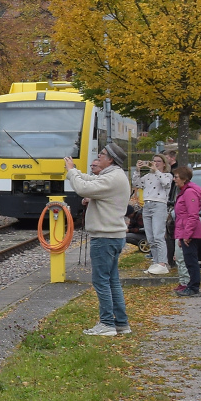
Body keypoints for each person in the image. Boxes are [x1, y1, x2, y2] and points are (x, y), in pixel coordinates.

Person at [64, 141, 133, 336]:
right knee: (112, 281)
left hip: (105, 237)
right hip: (113, 236)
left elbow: (83, 188)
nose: (99, 156)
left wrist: (71, 171)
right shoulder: (113, 176)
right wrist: (75, 172)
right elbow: (88, 182)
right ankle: (121, 323)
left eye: (102, 154)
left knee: (101, 281)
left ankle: (107, 324)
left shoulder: (112, 178)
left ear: (110, 159)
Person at [134, 154, 174, 275]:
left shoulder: (167, 175)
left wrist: (156, 170)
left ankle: (163, 262)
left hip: (159, 205)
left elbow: (166, 183)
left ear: (164, 163)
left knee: (158, 235)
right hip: (147, 205)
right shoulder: (148, 176)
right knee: (150, 237)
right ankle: (156, 261)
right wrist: (137, 171)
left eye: (158, 161)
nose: (155, 163)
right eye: (154, 161)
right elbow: (137, 184)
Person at [172, 165, 201, 296]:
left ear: (184, 179)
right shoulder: (184, 191)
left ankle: (193, 286)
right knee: (188, 259)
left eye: (176, 177)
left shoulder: (189, 192)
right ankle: (192, 285)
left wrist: (187, 235)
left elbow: (192, 215)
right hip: (185, 230)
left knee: (191, 260)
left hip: (190, 232)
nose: (174, 179)